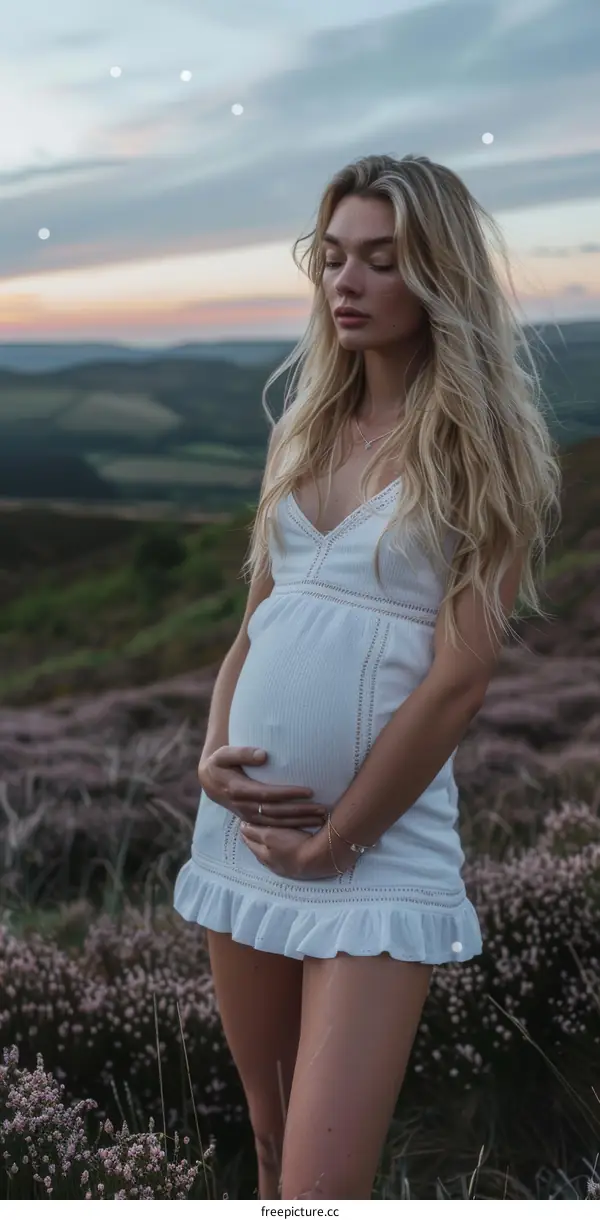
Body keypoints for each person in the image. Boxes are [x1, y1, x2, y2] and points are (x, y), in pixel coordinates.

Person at [174, 153, 561, 1201]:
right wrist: (212, 757)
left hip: (374, 853)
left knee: (321, 1182)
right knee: (269, 1143)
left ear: (438, 276)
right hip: (245, 835)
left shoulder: (482, 448)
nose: (347, 282)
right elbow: (253, 629)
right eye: (335, 257)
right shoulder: (301, 430)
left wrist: (336, 838)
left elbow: (460, 680)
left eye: (382, 261)